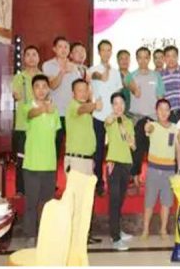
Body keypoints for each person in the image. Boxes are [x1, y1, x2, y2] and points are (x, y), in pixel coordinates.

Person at [65, 78, 103, 245]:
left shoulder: (87, 112)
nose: (83, 93)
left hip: (87, 160)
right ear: (73, 93)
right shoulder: (74, 106)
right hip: (76, 160)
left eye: (85, 90)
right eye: (79, 90)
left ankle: (84, 234)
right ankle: (74, 236)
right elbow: (82, 108)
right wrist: (94, 105)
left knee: (86, 199)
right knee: (76, 199)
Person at [23, 75, 61, 241]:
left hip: (49, 165)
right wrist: (44, 109)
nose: (41, 90)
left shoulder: (54, 110)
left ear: (48, 89)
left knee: (47, 203)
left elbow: (55, 135)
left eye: (44, 86)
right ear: (32, 90)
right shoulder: (27, 107)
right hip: (31, 165)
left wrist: (49, 109)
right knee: (31, 203)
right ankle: (30, 235)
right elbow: (31, 114)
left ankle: (46, 235)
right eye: (37, 86)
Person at [125, 47, 165, 187]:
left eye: (145, 57)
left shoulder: (156, 76)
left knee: (153, 152)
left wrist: (161, 118)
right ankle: (134, 177)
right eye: (140, 57)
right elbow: (127, 91)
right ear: (136, 59)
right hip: (136, 118)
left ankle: (154, 179)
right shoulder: (131, 76)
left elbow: (160, 97)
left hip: (153, 118)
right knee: (136, 151)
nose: (143, 60)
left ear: (149, 59)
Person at [88, 40, 123, 195]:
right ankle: (98, 183)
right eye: (103, 50)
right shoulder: (92, 70)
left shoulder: (116, 72)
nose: (106, 53)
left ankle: (114, 182)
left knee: (115, 151)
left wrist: (118, 112)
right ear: (99, 52)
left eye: (109, 50)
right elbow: (100, 78)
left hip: (113, 117)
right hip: (98, 116)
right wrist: (106, 70)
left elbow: (118, 93)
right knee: (98, 152)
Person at [142, 99, 177, 240]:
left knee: (166, 203)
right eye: (160, 109)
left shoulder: (174, 128)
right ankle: (145, 230)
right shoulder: (153, 125)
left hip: (169, 170)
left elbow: (178, 148)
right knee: (149, 202)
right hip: (153, 169)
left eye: (166, 109)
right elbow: (148, 129)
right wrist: (147, 127)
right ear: (156, 111)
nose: (163, 112)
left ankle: (163, 230)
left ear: (170, 112)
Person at [105, 93, 136, 251]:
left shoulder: (128, 122)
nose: (119, 106)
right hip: (113, 164)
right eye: (115, 103)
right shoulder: (110, 120)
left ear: (125, 105)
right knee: (114, 200)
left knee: (120, 200)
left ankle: (117, 230)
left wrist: (130, 140)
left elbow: (133, 146)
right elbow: (108, 122)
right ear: (112, 106)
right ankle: (115, 238)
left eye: (121, 103)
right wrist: (113, 118)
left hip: (126, 164)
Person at [43, 36, 82, 160]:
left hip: (71, 113)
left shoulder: (74, 67)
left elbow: (78, 90)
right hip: (55, 113)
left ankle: (72, 172)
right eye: (60, 46)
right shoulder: (48, 65)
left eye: (66, 47)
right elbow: (52, 86)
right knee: (54, 147)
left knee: (73, 149)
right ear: (54, 49)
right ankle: (51, 173)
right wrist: (62, 72)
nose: (63, 49)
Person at [11, 45, 42, 196]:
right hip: (23, 125)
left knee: (39, 158)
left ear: (38, 58)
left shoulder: (43, 77)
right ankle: (20, 189)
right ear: (23, 58)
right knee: (22, 158)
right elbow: (15, 94)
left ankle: (37, 188)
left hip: (40, 125)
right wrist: (16, 94)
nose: (31, 57)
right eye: (28, 55)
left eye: (34, 54)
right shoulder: (19, 77)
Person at [159, 45, 180, 124]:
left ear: (177, 57)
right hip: (168, 113)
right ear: (164, 58)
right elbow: (160, 97)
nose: (171, 59)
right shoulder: (160, 75)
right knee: (171, 132)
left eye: (173, 56)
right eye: (168, 56)